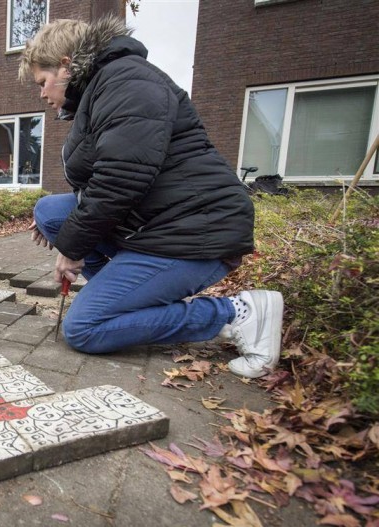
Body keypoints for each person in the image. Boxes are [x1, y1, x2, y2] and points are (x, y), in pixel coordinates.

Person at [18, 15, 284, 378]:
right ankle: (128, 301)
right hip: (162, 222)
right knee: (50, 212)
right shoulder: (102, 89)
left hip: (194, 234)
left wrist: (73, 248)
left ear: (66, 66)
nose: (42, 93)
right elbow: (100, 183)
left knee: (83, 329)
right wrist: (68, 235)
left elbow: (119, 181)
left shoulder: (125, 81)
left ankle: (238, 314)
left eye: (42, 81)